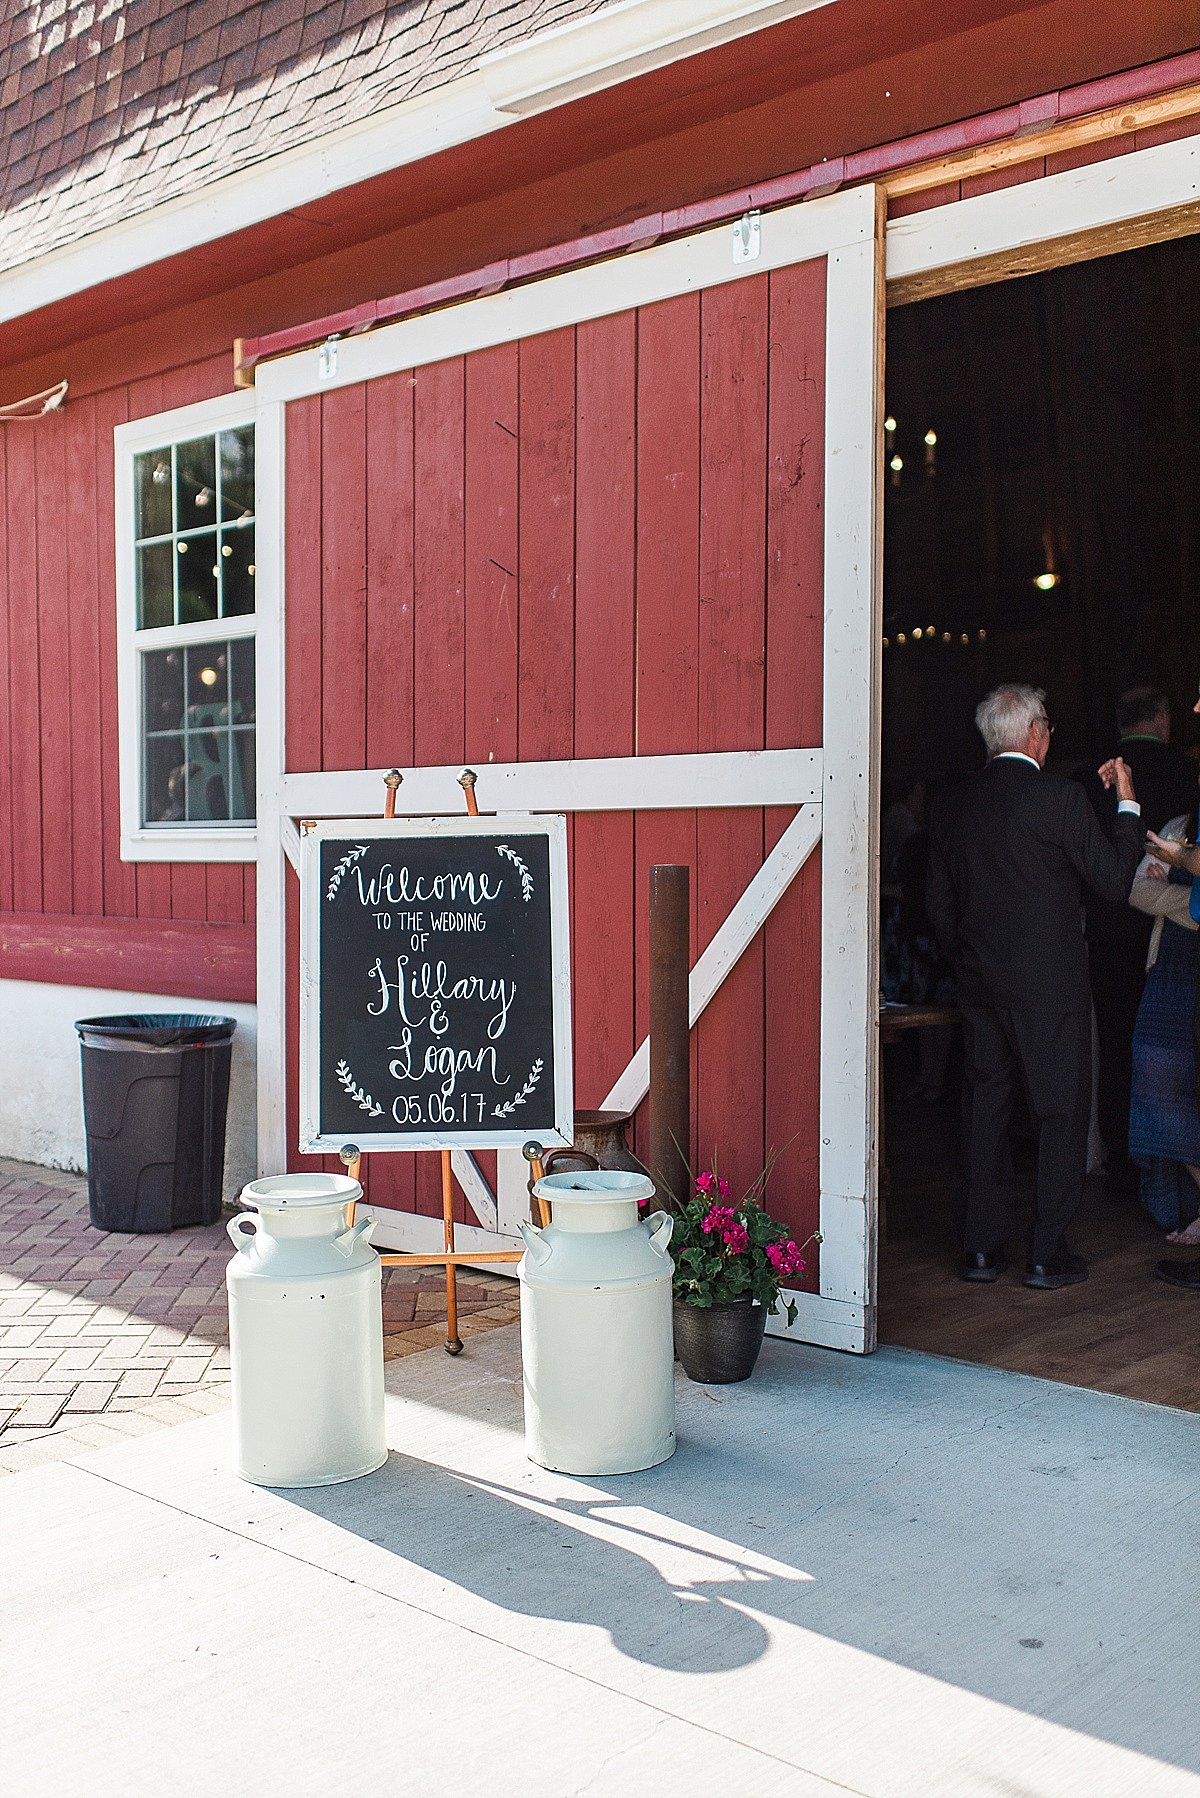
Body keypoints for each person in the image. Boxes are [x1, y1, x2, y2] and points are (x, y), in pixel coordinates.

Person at [926, 684, 1144, 1289]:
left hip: (981, 983)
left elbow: (939, 905)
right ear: (1038, 734)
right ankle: (1046, 1253)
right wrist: (1125, 805)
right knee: (1059, 1112)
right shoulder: (1059, 799)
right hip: (1049, 985)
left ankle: (979, 1251)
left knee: (987, 1109)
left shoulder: (957, 805)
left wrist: (968, 961)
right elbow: (1111, 882)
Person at [1076, 687, 1196, 1191]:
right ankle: (1175, 1184)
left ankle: (1125, 1164)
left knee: (1117, 1046)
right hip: (1177, 939)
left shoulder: (1091, 780)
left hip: (1107, 932)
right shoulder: (1187, 773)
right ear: (1163, 719)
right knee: (1180, 1062)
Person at [1127, 802, 1200, 1240]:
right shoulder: (1178, 827)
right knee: (1158, 1089)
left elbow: (1156, 895)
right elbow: (1138, 891)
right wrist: (1193, 906)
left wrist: (1172, 890)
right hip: (1170, 976)